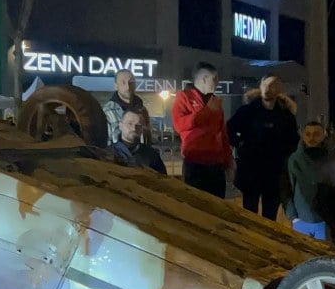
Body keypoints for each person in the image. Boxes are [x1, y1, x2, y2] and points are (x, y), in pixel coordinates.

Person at [227, 74, 300, 221]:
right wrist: (240, 143)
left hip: (275, 173)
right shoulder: (248, 111)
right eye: (265, 85)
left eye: (273, 85)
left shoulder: (285, 115)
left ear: (279, 89)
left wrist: (285, 155)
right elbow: (229, 129)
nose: (268, 89)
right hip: (250, 171)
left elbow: (294, 140)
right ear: (260, 87)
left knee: (270, 215)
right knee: (249, 213)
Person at [172, 62, 232, 198]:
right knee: (197, 204)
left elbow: (222, 134)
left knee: (217, 206)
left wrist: (228, 161)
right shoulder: (184, 97)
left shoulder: (215, 101)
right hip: (195, 163)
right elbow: (179, 125)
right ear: (204, 79)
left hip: (216, 165)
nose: (218, 82)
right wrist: (207, 112)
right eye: (215, 78)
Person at [284, 122, 330, 239]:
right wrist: (293, 217)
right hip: (301, 219)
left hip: (325, 221)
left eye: (316, 134)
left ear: (324, 135)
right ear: (303, 136)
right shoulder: (293, 160)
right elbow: (286, 189)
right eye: (308, 134)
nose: (311, 138)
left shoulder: (332, 160)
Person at [112, 109, 167, 175]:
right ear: (120, 125)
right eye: (130, 123)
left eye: (138, 125)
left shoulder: (151, 155)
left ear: (142, 129)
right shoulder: (109, 153)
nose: (134, 128)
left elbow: (163, 180)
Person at [102, 70, 149, 144]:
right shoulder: (108, 111)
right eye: (123, 82)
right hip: (118, 154)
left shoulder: (142, 110)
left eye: (131, 82)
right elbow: (106, 142)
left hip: (141, 153)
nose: (127, 87)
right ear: (116, 86)